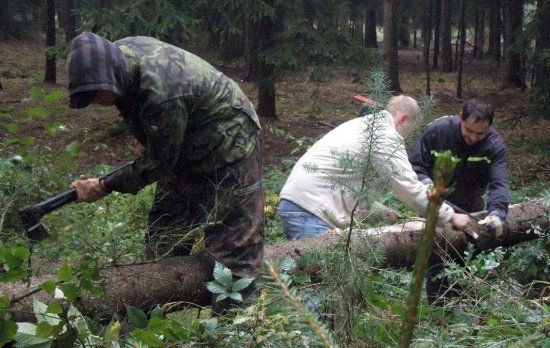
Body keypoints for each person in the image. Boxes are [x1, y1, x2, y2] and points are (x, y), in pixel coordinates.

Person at [66, 32, 264, 314]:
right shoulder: (119, 59)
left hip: (231, 144)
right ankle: (155, 326)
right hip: (186, 145)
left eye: (97, 93)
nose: (97, 101)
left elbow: (159, 164)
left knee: (235, 250)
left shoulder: (162, 92)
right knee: (165, 231)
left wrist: (104, 184)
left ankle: (233, 333)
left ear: (111, 73)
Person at [278, 95, 470, 240]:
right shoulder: (385, 136)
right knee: (321, 287)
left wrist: (378, 210)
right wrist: (450, 216)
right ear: (403, 119)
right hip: (311, 211)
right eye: (408, 131)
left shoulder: (362, 125)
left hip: (299, 204)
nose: (405, 138)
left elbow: (347, 182)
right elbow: (409, 188)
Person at [408, 98, 510, 303]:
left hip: (471, 206)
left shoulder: (494, 145)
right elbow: (415, 165)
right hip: (436, 205)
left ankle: (465, 306)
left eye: (479, 133)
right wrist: (427, 184)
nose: (473, 137)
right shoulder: (438, 131)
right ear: (460, 117)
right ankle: (440, 311)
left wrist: (497, 213)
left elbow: (499, 182)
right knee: (437, 262)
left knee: (467, 261)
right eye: (469, 131)